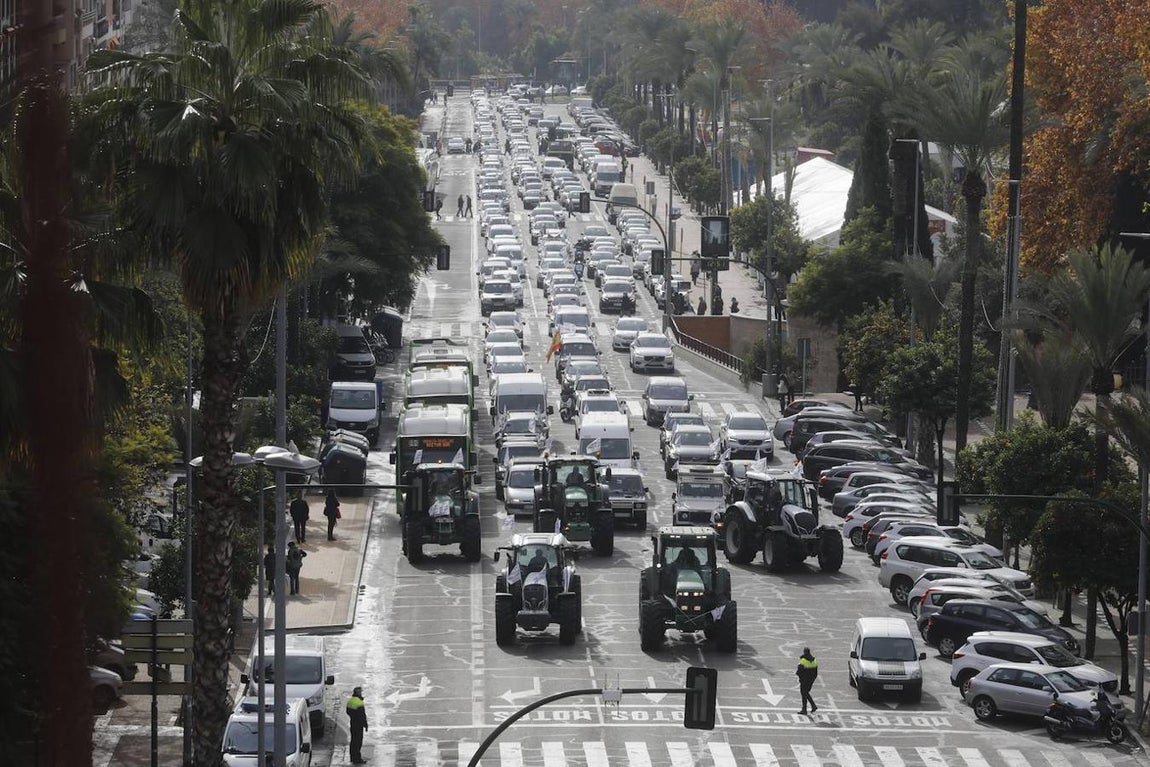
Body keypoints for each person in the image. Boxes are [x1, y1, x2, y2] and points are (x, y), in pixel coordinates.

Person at [346, 686, 369, 764]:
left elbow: (347, 711)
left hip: (353, 723)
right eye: (361, 692)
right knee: (358, 742)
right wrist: (365, 724)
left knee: (353, 741)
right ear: (358, 693)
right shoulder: (359, 702)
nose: (361, 693)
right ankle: (357, 759)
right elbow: (362, 715)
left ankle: (352, 757)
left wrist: (353, 717)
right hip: (359, 725)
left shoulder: (350, 701)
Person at [796, 647, 819, 715]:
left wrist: (800, 677)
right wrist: (813, 678)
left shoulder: (803, 661)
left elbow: (799, 671)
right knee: (805, 693)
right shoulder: (814, 661)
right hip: (811, 680)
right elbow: (816, 672)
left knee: (804, 693)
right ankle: (812, 706)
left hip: (804, 680)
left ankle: (805, 709)